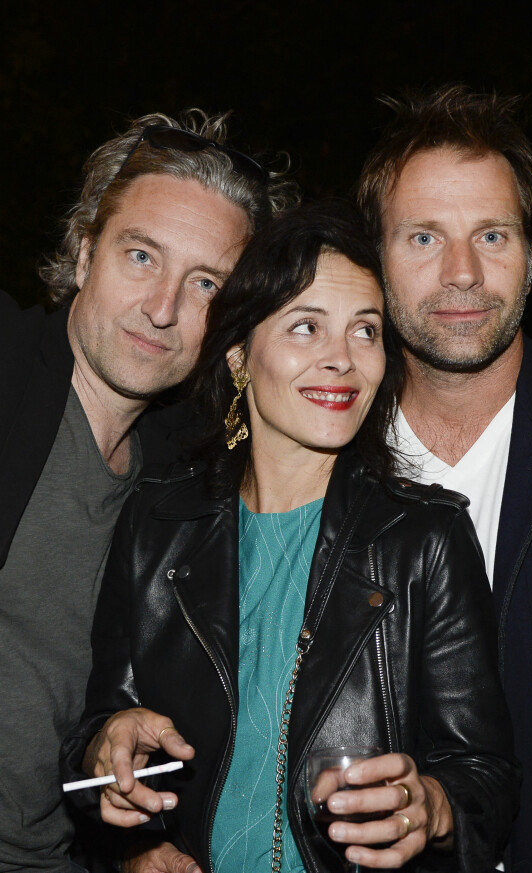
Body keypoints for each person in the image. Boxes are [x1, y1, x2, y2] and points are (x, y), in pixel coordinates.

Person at [62, 202, 519, 873]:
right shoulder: (157, 525)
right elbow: (92, 751)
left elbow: (487, 776)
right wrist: (134, 836)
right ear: (241, 355)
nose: (342, 359)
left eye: (366, 331)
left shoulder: (426, 538)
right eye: (307, 327)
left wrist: (435, 805)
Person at [0, 108, 293, 873]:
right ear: (86, 248)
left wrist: (131, 847)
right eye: (141, 256)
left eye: (204, 283)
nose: (162, 309)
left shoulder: (186, 485)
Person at [357, 84, 532, 873]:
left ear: (530, 254)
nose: (461, 273)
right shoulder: (317, 450)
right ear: (376, 257)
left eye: (491, 234)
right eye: (423, 236)